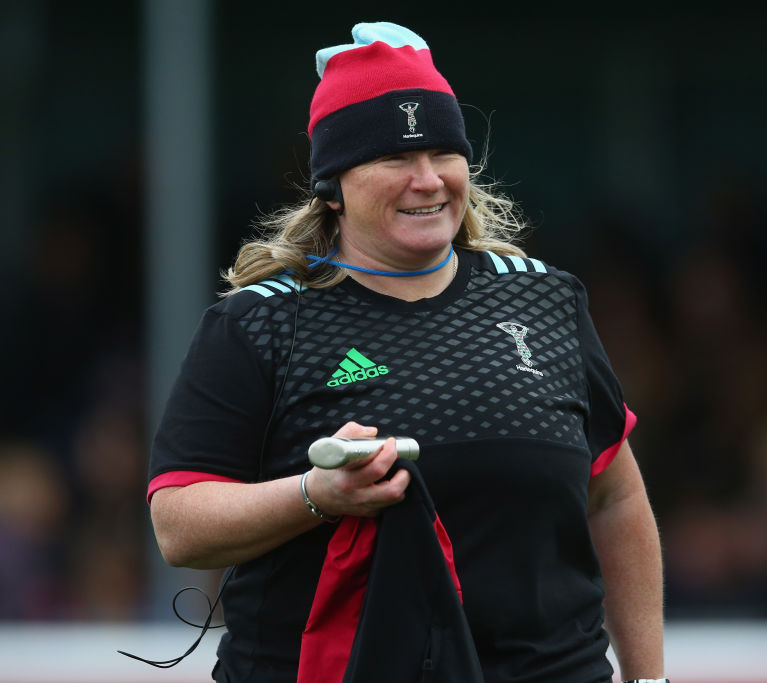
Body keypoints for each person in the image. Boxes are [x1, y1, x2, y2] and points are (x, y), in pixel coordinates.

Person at [147, 21, 666, 683]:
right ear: (332, 185)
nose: (427, 180)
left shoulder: (544, 297)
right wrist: (317, 494)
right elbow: (179, 524)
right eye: (394, 157)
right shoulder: (261, 322)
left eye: (443, 154)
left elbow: (615, 497)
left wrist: (649, 678)